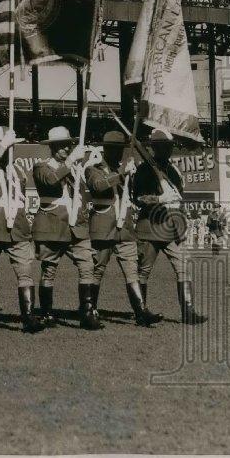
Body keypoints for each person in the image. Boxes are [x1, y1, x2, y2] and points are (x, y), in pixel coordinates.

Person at [86, 131, 162, 327]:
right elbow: (98, 186)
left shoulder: (127, 169)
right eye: (114, 149)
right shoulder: (93, 168)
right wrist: (121, 174)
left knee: (132, 271)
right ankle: (90, 310)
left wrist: (133, 176)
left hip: (125, 229)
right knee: (97, 270)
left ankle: (140, 311)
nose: (118, 153)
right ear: (106, 149)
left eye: (121, 150)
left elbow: (135, 195)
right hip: (103, 228)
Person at [0, 126, 42, 333]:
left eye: (13, 146)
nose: (13, 150)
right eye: (10, 146)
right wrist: (2, 147)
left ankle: (29, 317)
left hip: (17, 229)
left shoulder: (17, 170)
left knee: (26, 272)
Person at [132, 128, 206, 324]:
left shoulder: (173, 170)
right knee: (143, 271)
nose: (169, 150)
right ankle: (141, 312)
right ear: (155, 148)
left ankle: (188, 311)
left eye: (170, 146)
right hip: (151, 226)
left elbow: (177, 199)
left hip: (172, 227)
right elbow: (137, 198)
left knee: (183, 267)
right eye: (164, 146)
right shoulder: (144, 169)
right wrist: (158, 198)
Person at [31, 126, 100, 330]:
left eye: (67, 146)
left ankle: (86, 313)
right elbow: (51, 182)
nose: (65, 150)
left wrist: (88, 165)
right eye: (61, 146)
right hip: (52, 225)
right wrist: (70, 163)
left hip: (76, 228)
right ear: (52, 147)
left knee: (87, 265)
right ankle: (46, 313)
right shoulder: (41, 167)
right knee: (49, 270)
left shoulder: (74, 168)